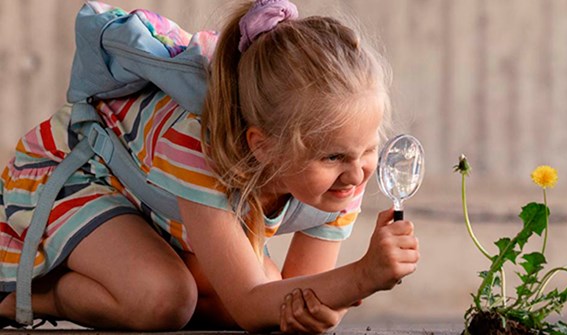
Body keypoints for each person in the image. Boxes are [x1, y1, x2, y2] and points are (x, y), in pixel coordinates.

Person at [0, 0, 420, 332]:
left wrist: (317, 311)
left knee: (267, 294)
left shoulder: (348, 169)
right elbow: (252, 303)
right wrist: (363, 277)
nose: (358, 172)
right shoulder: (201, 147)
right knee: (162, 299)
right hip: (80, 170)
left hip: (156, 204)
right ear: (263, 147)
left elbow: (296, 293)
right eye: (332, 157)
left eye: (369, 149)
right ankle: (28, 293)